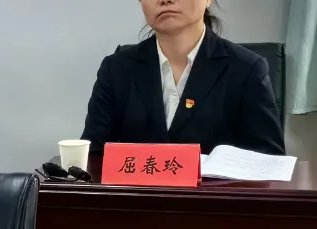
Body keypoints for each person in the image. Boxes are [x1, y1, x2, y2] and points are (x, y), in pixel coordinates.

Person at [81, 0, 284, 155]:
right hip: (137, 197)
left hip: (215, 198)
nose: (165, 0)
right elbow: (93, 156)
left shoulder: (246, 69)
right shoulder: (117, 69)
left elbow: (268, 161)